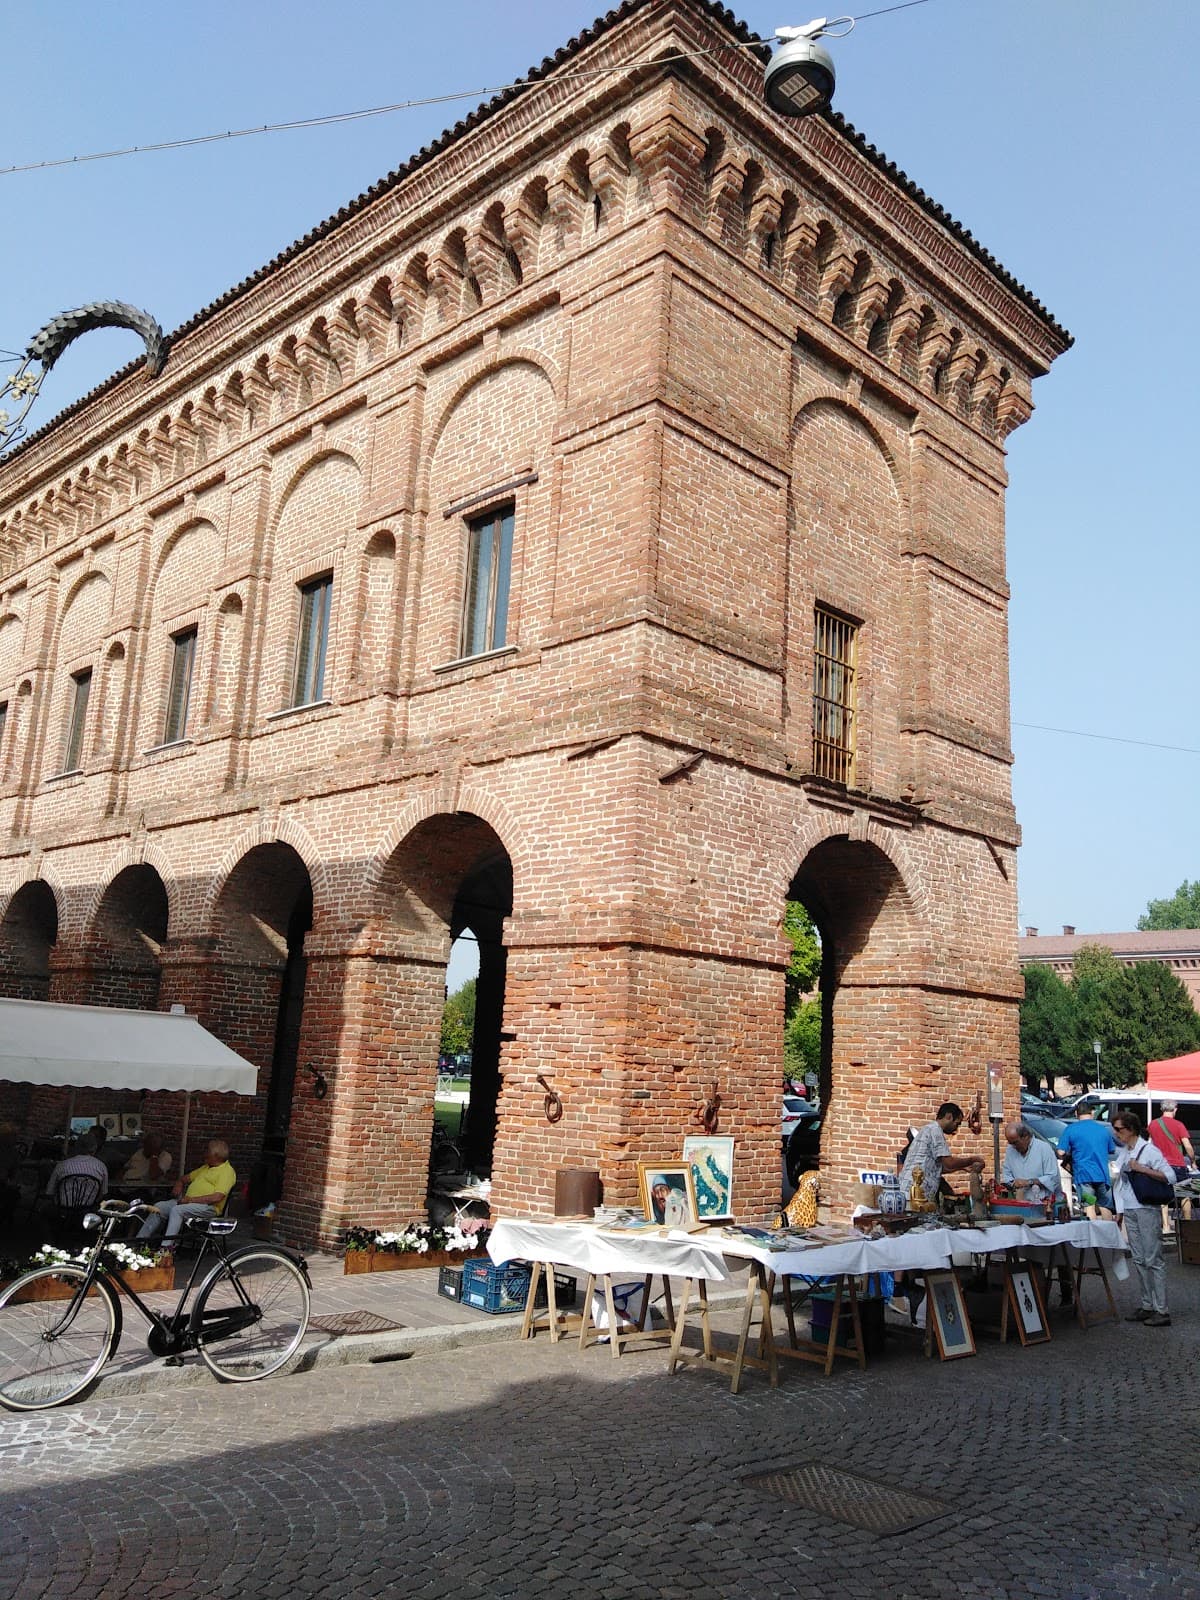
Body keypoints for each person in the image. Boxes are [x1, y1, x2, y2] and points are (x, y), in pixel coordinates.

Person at [1112, 1111, 1175, 1328]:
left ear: (1130, 1130)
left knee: (1153, 1259)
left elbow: (1170, 1176)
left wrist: (1143, 1169)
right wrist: (1119, 1210)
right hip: (1130, 1208)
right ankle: (1147, 1304)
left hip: (1147, 1208)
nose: (1116, 1133)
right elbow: (1120, 1184)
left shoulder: (1149, 1150)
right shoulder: (1124, 1152)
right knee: (1139, 1258)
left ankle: (1162, 1309)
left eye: (1119, 1129)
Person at [136, 1139, 236, 1247]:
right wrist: (179, 1182)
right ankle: (139, 1242)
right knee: (158, 1207)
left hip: (209, 1208)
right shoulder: (206, 1167)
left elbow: (217, 1197)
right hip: (188, 1203)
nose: (205, 1154)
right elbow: (185, 1178)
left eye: (207, 1152)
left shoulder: (226, 1172)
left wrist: (190, 1200)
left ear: (216, 1156)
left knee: (177, 1210)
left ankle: (166, 1249)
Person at [897, 1103, 984, 1204]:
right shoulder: (935, 1130)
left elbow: (938, 1168)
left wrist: (961, 1168)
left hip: (910, 1193)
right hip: (914, 1194)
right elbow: (949, 1163)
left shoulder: (929, 1129)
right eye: (957, 1123)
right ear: (949, 1116)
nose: (956, 1129)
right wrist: (972, 1160)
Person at [1057, 1105, 1118, 1218]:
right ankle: (1109, 1233)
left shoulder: (1071, 1129)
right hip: (1103, 1175)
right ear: (1092, 1113)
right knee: (1105, 1206)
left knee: (1089, 1205)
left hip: (1083, 1175)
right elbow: (1111, 1150)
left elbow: (1060, 1152)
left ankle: (1094, 1233)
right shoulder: (1103, 1130)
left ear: (1076, 1114)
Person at [1001, 1121, 1063, 1202]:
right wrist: (1012, 1183)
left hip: (1044, 1202)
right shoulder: (1010, 1149)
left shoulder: (1044, 1148)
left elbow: (1053, 1178)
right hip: (1021, 1202)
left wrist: (1029, 1182)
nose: (1013, 1146)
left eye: (1015, 1143)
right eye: (1010, 1143)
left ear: (1026, 1137)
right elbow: (1006, 1174)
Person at [44, 1130, 108, 1203]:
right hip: (89, 1208)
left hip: (63, 1208)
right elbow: (103, 1193)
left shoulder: (62, 1165)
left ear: (76, 1147)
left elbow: (49, 1192)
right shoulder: (101, 1166)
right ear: (94, 1148)